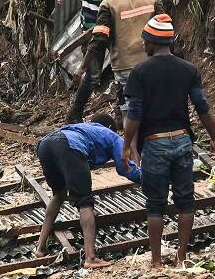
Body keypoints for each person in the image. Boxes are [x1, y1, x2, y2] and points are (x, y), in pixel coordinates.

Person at [122, 14, 215, 269]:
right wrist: (214, 138)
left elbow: (134, 114)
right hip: (182, 142)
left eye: (145, 41)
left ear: (151, 43)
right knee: (185, 201)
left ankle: (156, 262)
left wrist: (126, 146)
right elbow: (202, 107)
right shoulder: (188, 69)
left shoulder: (140, 71)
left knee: (155, 205)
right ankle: (182, 257)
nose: (143, 46)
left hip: (155, 143)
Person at [34, 114, 142, 269]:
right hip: (68, 146)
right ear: (110, 127)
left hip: (45, 145)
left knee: (59, 194)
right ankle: (90, 258)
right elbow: (125, 168)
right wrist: (148, 178)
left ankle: (39, 248)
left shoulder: (83, 127)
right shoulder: (110, 134)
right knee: (85, 203)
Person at [56, 0, 132, 123]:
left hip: (117, 28)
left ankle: (121, 114)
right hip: (91, 27)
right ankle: (75, 114)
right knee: (93, 75)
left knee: (122, 71)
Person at [84, 0, 163, 125]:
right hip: (153, 63)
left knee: (129, 111)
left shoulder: (108, 3)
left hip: (124, 66)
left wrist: (82, 67)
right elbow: (164, 30)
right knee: (156, 105)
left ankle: (131, 148)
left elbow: (99, 38)